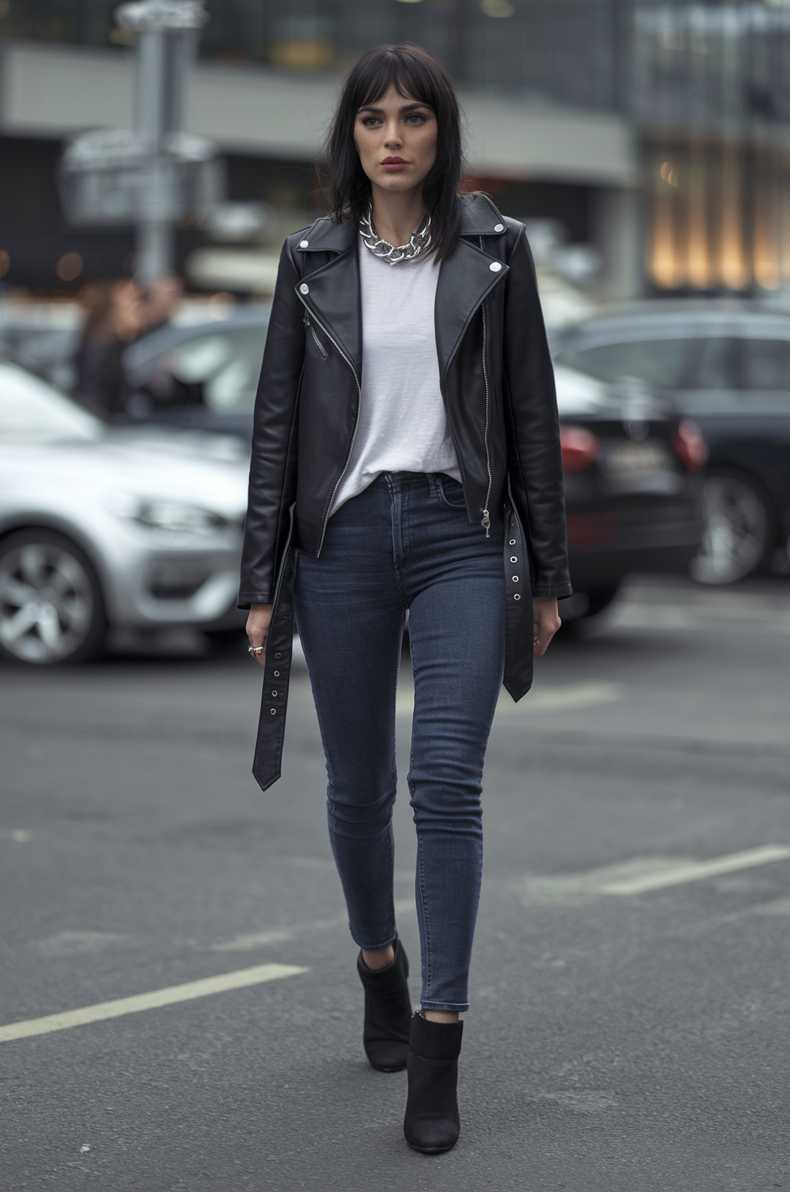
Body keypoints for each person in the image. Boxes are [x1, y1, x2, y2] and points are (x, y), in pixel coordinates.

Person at [239, 44, 571, 1155]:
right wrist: (258, 584)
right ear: (350, 136)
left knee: (446, 784)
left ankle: (440, 1041)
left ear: (440, 134)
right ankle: (378, 958)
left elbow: (531, 419)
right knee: (357, 791)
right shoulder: (308, 260)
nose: (392, 136)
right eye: (372, 118)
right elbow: (276, 428)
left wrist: (550, 577)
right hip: (340, 542)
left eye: (412, 118)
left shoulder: (495, 252)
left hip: (460, 539)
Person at [73, 278, 141, 417]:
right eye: (130, 300)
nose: (136, 305)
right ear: (112, 306)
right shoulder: (99, 346)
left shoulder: (115, 344)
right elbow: (91, 393)